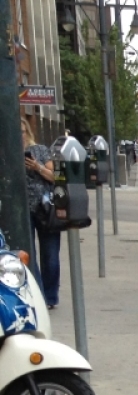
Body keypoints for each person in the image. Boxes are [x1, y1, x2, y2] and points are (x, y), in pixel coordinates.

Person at [22, 116, 60, 309]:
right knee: (28, 253)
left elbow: (54, 177)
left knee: (50, 253)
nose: (19, 136)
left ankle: (51, 296)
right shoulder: (6, 152)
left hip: (45, 207)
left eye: (22, 131)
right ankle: (37, 295)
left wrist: (37, 167)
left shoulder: (41, 150)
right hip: (21, 210)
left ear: (28, 132)